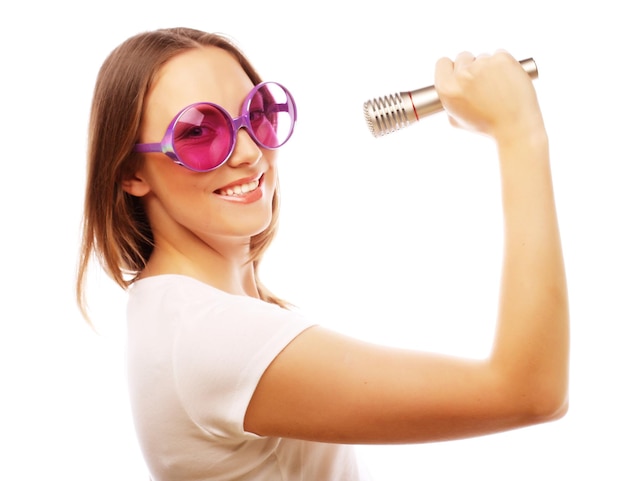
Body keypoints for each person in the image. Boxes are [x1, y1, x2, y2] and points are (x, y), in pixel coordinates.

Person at [76, 27, 569, 481]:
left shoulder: (172, 308)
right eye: (198, 132)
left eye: (257, 113)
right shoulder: (212, 335)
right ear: (130, 172)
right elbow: (530, 393)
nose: (248, 153)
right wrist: (520, 134)